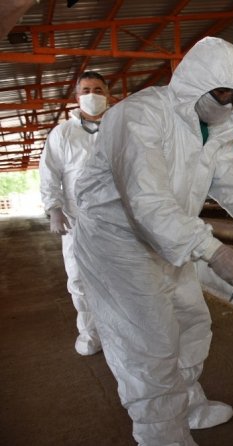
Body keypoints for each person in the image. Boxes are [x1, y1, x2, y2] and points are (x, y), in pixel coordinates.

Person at [72, 37, 233, 446]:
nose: (229, 105)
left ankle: (186, 403)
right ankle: (162, 434)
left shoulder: (216, 129)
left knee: (190, 324)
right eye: (222, 93)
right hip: (118, 244)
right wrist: (214, 251)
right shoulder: (138, 117)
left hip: (172, 239)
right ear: (195, 81)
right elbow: (146, 202)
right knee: (149, 345)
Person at [38, 70, 110, 356]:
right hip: (76, 221)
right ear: (77, 96)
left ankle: (121, 333)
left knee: (121, 279)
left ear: (109, 94)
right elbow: (49, 173)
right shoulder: (63, 133)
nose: (92, 95)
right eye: (86, 90)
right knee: (79, 279)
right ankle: (90, 332)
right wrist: (53, 209)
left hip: (117, 221)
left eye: (98, 89)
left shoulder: (120, 127)